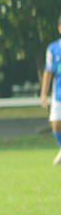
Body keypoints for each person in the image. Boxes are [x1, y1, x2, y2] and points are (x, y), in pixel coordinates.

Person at [41, 14, 61, 165]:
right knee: (56, 124)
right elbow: (48, 72)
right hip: (58, 94)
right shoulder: (53, 49)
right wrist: (43, 94)